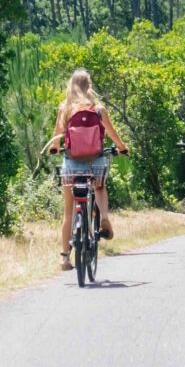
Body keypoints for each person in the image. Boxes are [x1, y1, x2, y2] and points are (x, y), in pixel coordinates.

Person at [49, 70, 128, 271]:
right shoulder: (98, 109)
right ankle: (103, 217)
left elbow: (56, 137)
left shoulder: (65, 108)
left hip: (72, 163)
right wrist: (122, 147)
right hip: (96, 161)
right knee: (99, 188)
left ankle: (65, 258)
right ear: (89, 86)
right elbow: (111, 133)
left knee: (68, 212)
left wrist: (55, 147)